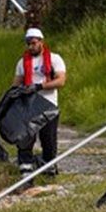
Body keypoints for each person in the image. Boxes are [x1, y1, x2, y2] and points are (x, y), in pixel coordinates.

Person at [13, 27, 67, 175]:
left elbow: (61, 81)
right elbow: (16, 85)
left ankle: (49, 168)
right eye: (28, 43)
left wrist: (39, 86)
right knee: (25, 138)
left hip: (49, 105)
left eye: (34, 43)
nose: (31, 46)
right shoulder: (22, 63)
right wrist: (18, 94)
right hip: (29, 106)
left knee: (48, 139)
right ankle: (26, 169)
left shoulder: (55, 59)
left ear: (41, 42)